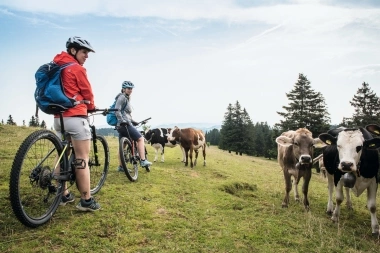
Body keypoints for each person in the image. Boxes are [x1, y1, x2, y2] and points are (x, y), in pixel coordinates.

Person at [53, 36, 100, 211]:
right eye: (84, 51)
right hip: (75, 118)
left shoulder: (58, 66)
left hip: (59, 119)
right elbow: (87, 93)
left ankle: (63, 194)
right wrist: (92, 107)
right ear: (73, 50)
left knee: (62, 155)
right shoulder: (76, 69)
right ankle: (86, 200)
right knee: (82, 159)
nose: (86, 55)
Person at [115, 81, 152, 171]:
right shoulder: (122, 97)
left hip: (122, 124)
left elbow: (125, 113)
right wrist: (122, 121)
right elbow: (117, 110)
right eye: (128, 88)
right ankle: (143, 160)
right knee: (140, 139)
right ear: (124, 89)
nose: (130, 90)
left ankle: (121, 167)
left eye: (131, 88)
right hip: (124, 124)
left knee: (122, 146)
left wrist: (133, 121)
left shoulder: (126, 98)